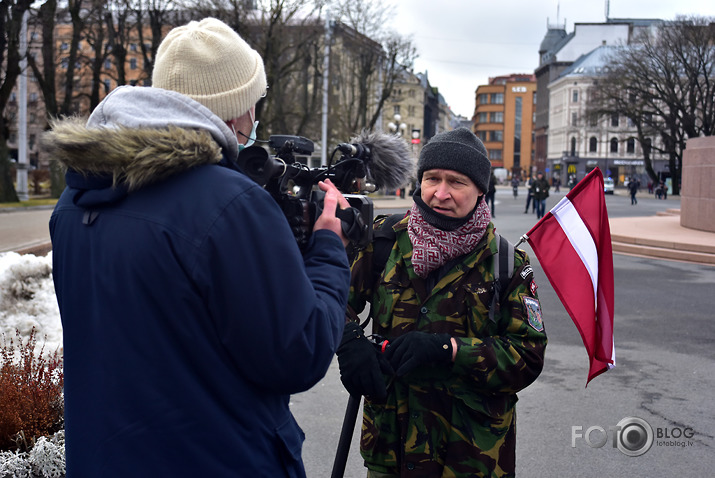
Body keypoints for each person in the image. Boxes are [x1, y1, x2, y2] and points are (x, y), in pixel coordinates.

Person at [45, 18, 351, 477]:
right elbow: (298, 353)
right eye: (253, 105)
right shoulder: (228, 204)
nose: (254, 120)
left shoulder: (73, 201)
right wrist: (328, 247)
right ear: (232, 113)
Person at [337, 128, 547, 477]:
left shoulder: (507, 262)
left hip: (471, 457)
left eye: (457, 182)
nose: (441, 193)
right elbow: (330, 299)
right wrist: (349, 343)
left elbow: (527, 356)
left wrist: (448, 349)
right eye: (432, 178)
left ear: (481, 190)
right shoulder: (383, 240)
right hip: (392, 450)